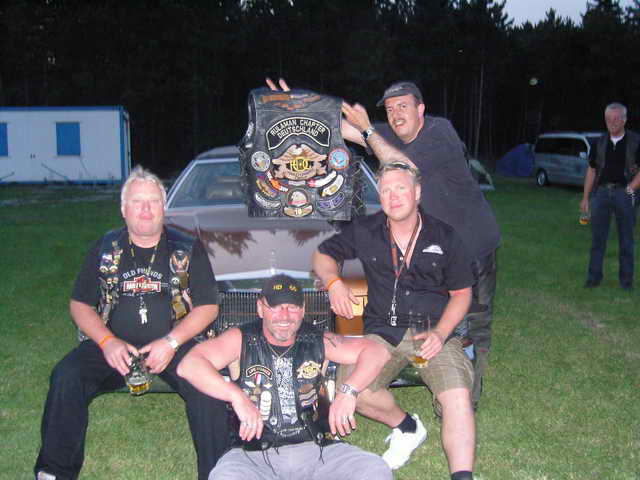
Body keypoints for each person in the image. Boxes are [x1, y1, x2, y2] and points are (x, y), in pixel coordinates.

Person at [266, 77, 499, 409]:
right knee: (431, 315)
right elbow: (344, 128)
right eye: (389, 109)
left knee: (471, 322)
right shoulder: (387, 134)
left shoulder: (441, 133)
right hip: (428, 245)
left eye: (403, 106)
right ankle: (429, 368)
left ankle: (464, 393)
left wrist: (368, 131)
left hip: (473, 243)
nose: (395, 114)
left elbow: (405, 167)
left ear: (421, 109)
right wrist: (299, 106)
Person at [34, 166, 229, 480]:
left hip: (175, 345)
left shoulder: (187, 248)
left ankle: (220, 473)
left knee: (208, 388)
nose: (146, 209)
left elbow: (208, 306)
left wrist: (171, 342)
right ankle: (54, 472)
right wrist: (107, 342)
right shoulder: (105, 249)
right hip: (113, 346)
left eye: (153, 201)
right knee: (66, 376)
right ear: (124, 209)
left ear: (164, 208)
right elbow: (80, 304)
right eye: (137, 202)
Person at [313, 161, 476, 479]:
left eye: (401, 188)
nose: (393, 196)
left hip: (431, 331)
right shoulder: (366, 229)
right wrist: (333, 283)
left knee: (457, 397)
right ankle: (408, 427)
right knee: (355, 389)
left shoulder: (444, 235)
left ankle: (462, 475)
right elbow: (323, 254)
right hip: (382, 333)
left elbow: (461, 294)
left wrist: (441, 333)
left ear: (417, 192)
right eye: (386, 190)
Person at [177, 274, 393, 480]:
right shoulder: (241, 339)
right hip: (254, 456)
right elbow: (189, 365)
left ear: (303, 309)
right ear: (260, 308)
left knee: (375, 469)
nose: (285, 316)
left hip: (317, 452)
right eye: (276, 307)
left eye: (292, 307)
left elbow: (377, 351)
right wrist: (237, 397)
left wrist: (349, 391)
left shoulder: (318, 339)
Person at [580, 102, 640, 290]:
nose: (612, 122)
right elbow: (591, 170)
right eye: (608, 119)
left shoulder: (636, 141)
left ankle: (626, 282)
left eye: (616, 119)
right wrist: (585, 198)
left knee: (626, 240)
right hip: (602, 194)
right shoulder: (598, 142)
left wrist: (630, 189)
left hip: (625, 194)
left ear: (624, 119)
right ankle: (593, 278)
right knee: (597, 239)